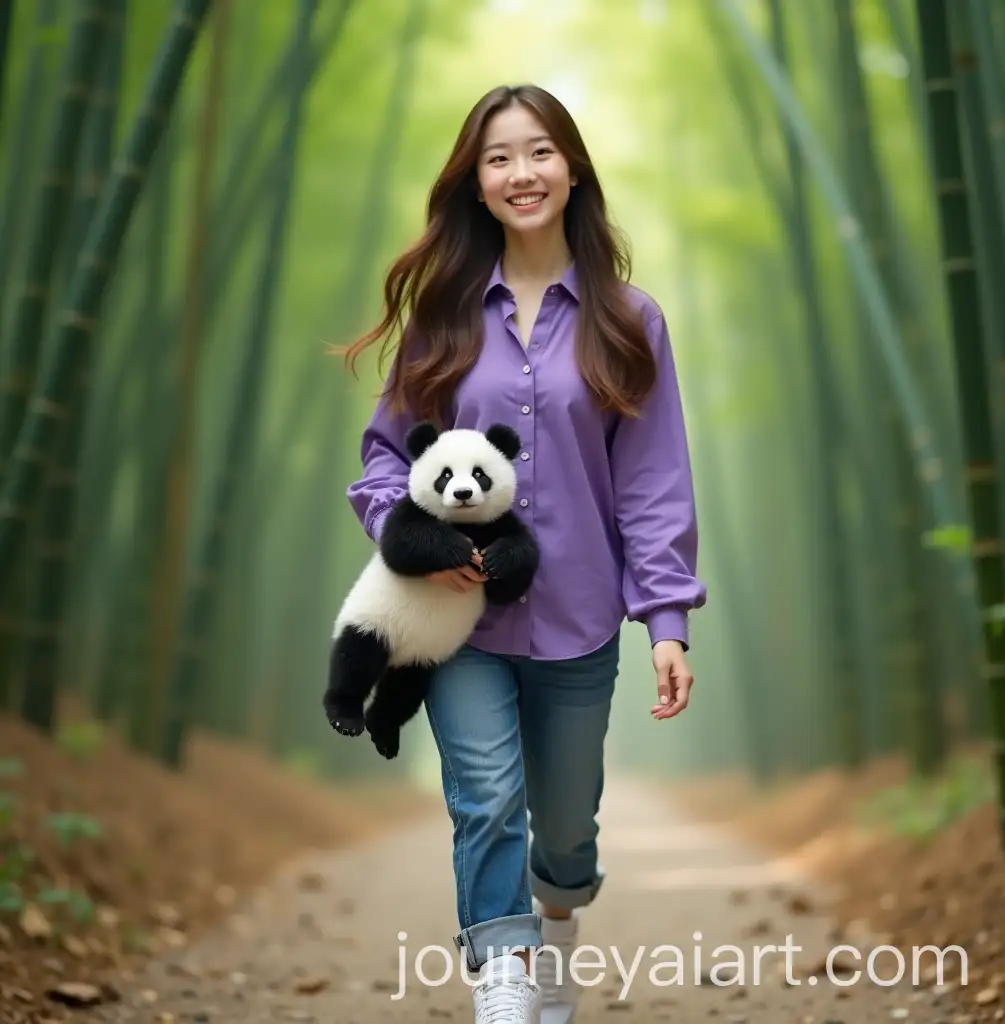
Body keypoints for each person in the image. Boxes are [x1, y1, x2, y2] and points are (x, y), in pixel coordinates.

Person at [339, 83, 707, 1024]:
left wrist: (666, 621)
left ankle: (556, 930)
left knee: (567, 825)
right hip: (456, 619)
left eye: (537, 151)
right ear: (476, 182)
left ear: (571, 165)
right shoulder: (443, 320)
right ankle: (503, 979)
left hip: (581, 618)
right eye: (498, 157)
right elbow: (385, 462)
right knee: (486, 797)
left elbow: (653, 483)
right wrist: (413, 546)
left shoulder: (631, 320)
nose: (520, 173)